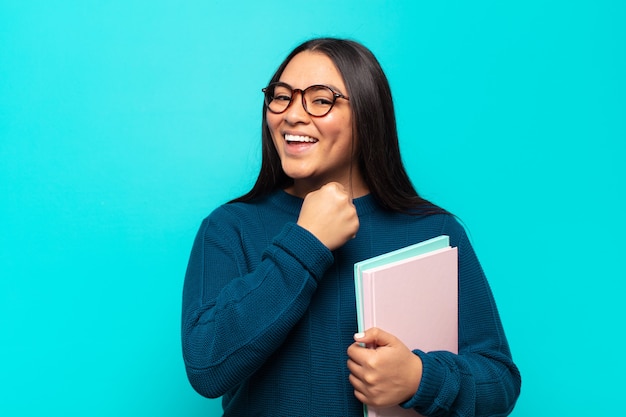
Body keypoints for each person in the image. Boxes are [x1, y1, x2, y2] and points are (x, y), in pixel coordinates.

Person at [181, 37, 521, 416]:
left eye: (320, 99)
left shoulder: (434, 232)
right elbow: (206, 367)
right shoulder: (230, 229)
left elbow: (500, 382)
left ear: (366, 113)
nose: (292, 114)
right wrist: (306, 242)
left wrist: (420, 378)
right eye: (281, 96)